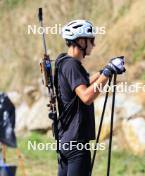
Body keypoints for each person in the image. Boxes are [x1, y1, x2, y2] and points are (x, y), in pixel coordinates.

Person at [55, 20, 126, 176]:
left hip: (66, 139)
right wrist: (107, 73)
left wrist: (103, 71)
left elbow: (82, 83)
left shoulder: (63, 62)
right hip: (76, 142)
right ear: (81, 41)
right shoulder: (72, 65)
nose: (93, 44)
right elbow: (86, 96)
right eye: (91, 40)